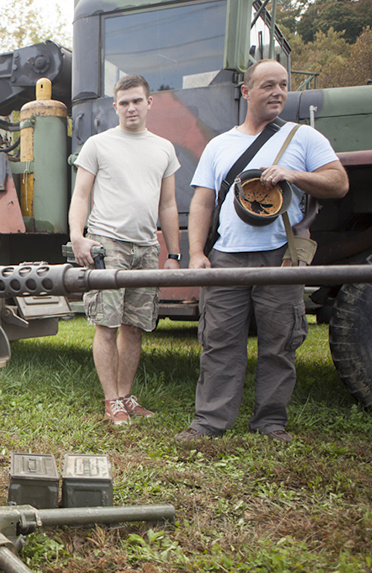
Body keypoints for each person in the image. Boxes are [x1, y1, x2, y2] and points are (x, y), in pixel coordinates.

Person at [176, 59, 348, 443]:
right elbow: (202, 201)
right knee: (219, 342)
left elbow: (338, 183)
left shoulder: (303, 137)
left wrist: (293, 174)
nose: (278, 92)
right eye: (268, 85)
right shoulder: (220, 145)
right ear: (246, 91)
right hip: (226, 257)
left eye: (283, 85)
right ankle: (209, 423)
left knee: (280, 343)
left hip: (282, 256)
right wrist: (197, 253)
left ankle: (270, 423)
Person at [68, 74, 181, 426]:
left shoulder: (164, 148)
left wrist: (173, 254)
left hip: (146, 247)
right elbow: (81, 195)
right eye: (124, 102)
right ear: (115, 106)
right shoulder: (98, 145)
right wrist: (77, 237)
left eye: (137, 101)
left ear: (149, 103)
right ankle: (111, 401)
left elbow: (168, 204)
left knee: (134, 327)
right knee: (107, 324)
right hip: (108, 244)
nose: (131, 108)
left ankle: (126, 396)